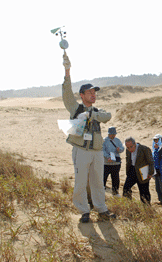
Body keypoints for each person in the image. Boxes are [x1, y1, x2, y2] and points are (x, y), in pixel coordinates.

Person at [61, 52, 115, 223]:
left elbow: (108, 116)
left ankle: (101, 209)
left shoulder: (97, 112)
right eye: (89, 92)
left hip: (97, 152)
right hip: (81, 151)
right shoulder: (75, 108)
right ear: (82, 95)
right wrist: (67, 71)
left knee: (98, 182)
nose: (93, 94)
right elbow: (66, 92)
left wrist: (93, 114)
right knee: (81, 182)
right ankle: (84, 211)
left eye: (94, 92)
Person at [123, 137, 154, 204]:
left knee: (144, 192)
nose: (129, 149)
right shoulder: (127, 150)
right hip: (132, 171)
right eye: (127, 147)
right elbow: (128, 160)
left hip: (143, 172)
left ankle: (147, 207)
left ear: (135, 144)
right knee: (126, 188)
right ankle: (128, 204)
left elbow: (151, 162)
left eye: (131, 147)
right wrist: (128, 172)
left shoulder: (144, 149)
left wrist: (150, 173)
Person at [103, 126, 125, 197]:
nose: (113, 135)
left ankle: (115, 192)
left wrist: (120, 149)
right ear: (108, 134)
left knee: (115, 178)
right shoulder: (104, 140)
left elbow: (122, 148)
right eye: (111, 134)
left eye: (114, 134)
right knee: (103, 178)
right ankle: (101, 191)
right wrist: (107, 157)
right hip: (106, 163)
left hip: (116, 163)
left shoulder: (118, 140)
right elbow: (102, 150)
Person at [152, 134, 162, 205]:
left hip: (161, 171)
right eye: (154, 140)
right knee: (157, 187)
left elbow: (159, 157)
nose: (155, 141)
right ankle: (161, 200)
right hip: (156, 171)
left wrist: (157, 149)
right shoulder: (154, 150)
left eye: (157, 140)